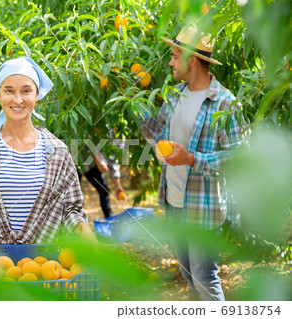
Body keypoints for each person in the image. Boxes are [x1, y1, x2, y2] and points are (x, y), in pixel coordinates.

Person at [138, 26, 249, 301]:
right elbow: (160, 135)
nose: (170, 62)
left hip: (203, 209)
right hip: (174, 201)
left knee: (204, 278)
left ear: (193, 60)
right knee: (188, 275)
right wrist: (135, 106)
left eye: (175, 56)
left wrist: (191, 159)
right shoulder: (174, 94)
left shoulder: (225, 103)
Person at [0, 57, 96, 244]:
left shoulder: (58, 152)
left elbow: (71, 210)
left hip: (42, 263)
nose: (18, 99)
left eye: (26, 91)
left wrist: (84, 230)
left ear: (37, 96)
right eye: (9, 91)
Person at [77, 148, 126, 219]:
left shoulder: (116, 145)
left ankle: (109, 220)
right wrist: (99, 160)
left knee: (104, 191)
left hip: (90, 165)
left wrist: (118, 186)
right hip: (77, 160)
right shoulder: (111, 140)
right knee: (73, 194)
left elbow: (114, 162)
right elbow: (87, 142)